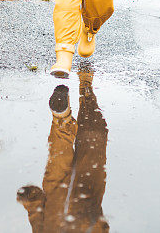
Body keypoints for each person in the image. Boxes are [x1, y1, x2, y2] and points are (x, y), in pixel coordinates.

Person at [17, 67, 110, 232]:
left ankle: (85, 88)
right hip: (61, 198)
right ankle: (62, 116)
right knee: (62, 149)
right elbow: (36, 212)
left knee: (93, 137)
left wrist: (30, 199)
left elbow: (102, 226)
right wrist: (29, 198)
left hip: (85, 199)